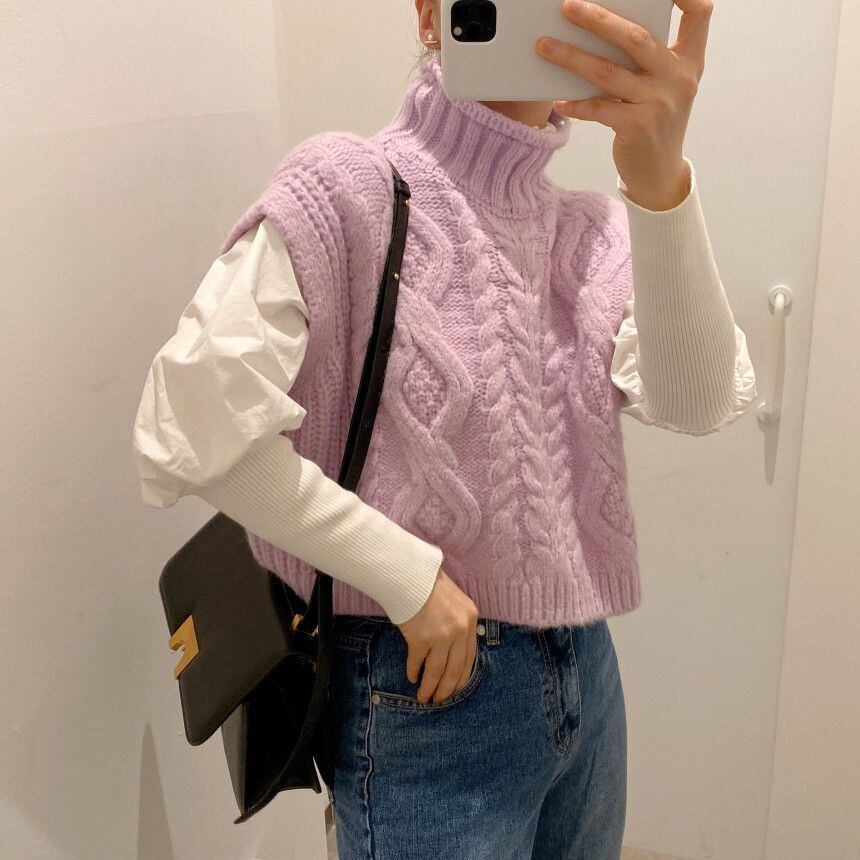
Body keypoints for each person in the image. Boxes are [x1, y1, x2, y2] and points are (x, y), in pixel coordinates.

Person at [132, 0, 755, 856]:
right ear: (431, 15)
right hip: (426, 694)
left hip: (586, 674)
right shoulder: (346, 187)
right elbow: (191, 422)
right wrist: (405, 576)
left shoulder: (593, 232)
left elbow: (699, 400)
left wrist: (660, 181)